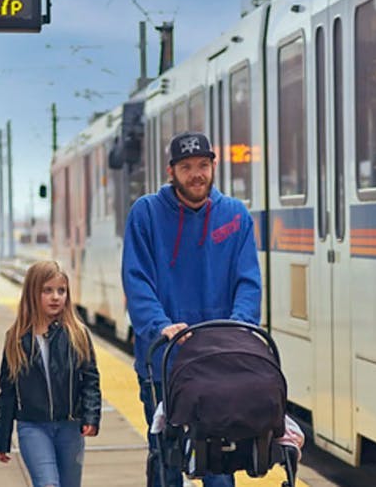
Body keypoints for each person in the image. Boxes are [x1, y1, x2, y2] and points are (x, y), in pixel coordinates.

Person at [122, 131, 262, 487]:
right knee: (165, 460)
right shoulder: (146, 213)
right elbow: (137, 280)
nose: (196, 174)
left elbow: (248, 281)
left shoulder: (235, 215)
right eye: (186, 167)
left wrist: (239, 326)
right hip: (164, 361)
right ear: (171, 171)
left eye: (203, 165)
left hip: (219, 362)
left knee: (219, 462)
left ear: (213, 166)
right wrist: (160, 325)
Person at [0, 260, 102, 487]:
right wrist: (2, 438)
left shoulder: (77, 335)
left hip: (70, 427)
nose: (55, 297)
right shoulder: (16, 339)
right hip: (33, 427)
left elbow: (90, 379)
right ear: (33, 294)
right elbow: (8, 392)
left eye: (61, 291)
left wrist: (91, 416)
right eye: (47, 290)